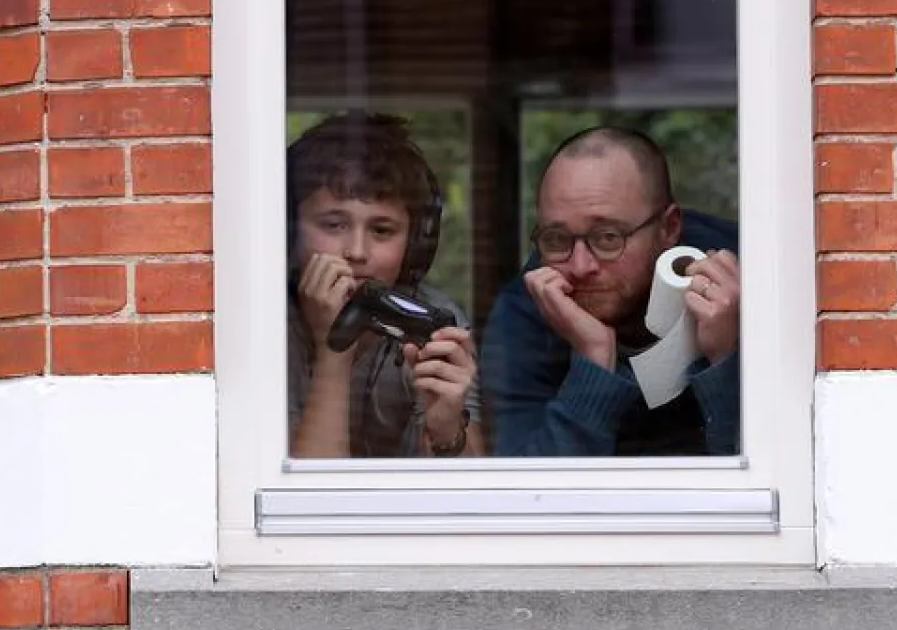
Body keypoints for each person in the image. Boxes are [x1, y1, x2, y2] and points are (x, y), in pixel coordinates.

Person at [482, 126, 740, 456]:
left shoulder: (738, 284)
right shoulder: (523, 312)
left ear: (668, 228)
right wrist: (592, 361)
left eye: (607, 238)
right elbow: (529, 495)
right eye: (557, 239)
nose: (579, 266)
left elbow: (776, 476)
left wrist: (725, 359)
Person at [287, 112, 483, 458]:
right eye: (333, 225)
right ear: (289, 233)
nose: (356, 252)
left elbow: (470, 497)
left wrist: (446, 427)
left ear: (415, 244)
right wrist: (335, 349)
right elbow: (313, 500)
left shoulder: (431, 321)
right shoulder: (266, 330)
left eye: (382, 230)